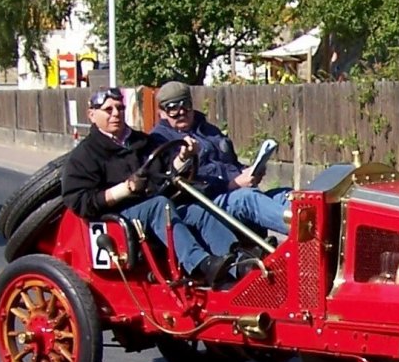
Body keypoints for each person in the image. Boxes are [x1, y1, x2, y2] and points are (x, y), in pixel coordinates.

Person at [61, 86, 238, 287]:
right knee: (159, 206)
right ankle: (201, 264)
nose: (116, 114)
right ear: (92, 114)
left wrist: (183, 158)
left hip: (154, 205)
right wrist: (125, 189)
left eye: (119, 108)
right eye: (108, 110)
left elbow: (164, 170)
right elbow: (79, 201)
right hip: (118, 215)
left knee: (197, 210)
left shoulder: (142, 141)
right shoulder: (85, 155)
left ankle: (236, 262)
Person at [150, 81, 291, 239]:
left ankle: (318, 236)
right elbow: (185, 185)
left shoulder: (207, 129)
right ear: (161, 112)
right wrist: (233, 184)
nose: (181, 112)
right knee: (247, 199)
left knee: (286, 195)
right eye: (173, 108)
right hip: (206, 204)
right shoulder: (160, 140)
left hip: (235, 193)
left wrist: (249, 171)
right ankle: (309, 232)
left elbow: (230, 162)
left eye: (186, 105)